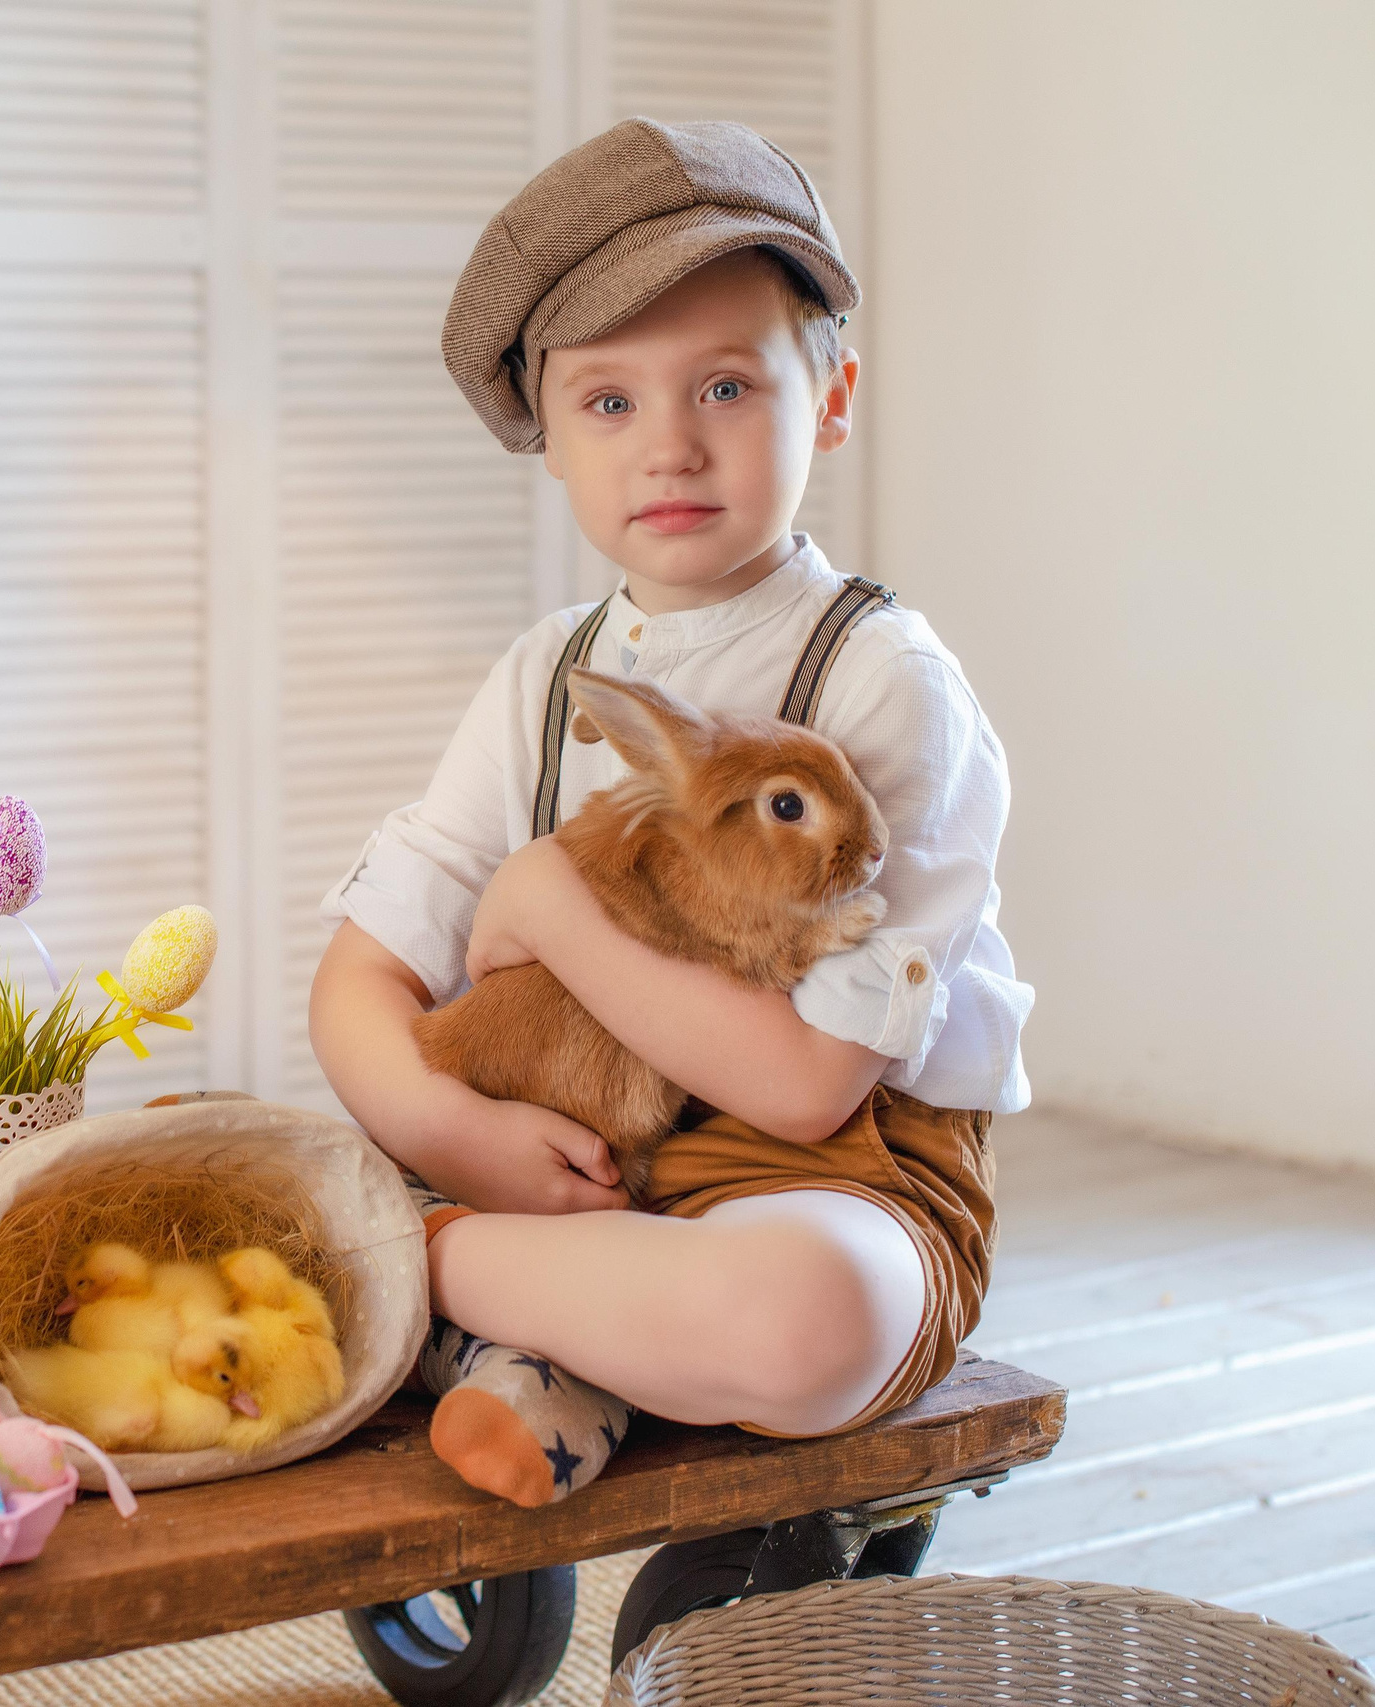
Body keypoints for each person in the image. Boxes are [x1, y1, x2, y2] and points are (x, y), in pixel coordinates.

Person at [311, 119, 1032, 1507]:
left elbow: (809, 1088)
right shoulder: (547, 677)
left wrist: (551, 912)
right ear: (549, 438)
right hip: (573, 1170)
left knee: (805, 1319)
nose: (672, 450)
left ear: (830, 398)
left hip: (830, 1177)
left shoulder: (883, 680)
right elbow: (363, 977)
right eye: (609, 403)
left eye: (726, 387)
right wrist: (450, 1133)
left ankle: (403, 1268)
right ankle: (549, 1320)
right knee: (454, 1156)